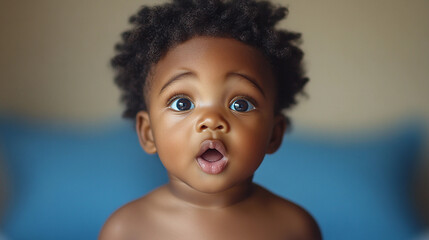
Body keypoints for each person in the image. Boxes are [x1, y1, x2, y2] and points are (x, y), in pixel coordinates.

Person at [99, 0, 321, 239]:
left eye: (240, 104)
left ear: (274, 134)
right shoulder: (126, 230)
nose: (211, 120)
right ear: (148, 132)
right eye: (182, 104)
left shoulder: (295, 228)